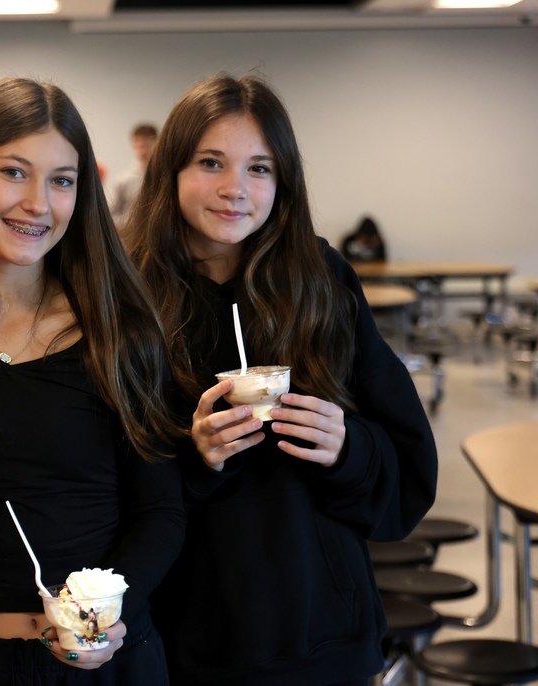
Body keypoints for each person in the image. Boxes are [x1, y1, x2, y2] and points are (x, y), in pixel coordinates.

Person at [126, 74, 438, 685]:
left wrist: (347, 446)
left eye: (259, 168)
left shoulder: (319, 279)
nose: (234, 189)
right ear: (169, 171)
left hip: (321, 632)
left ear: (283, 181)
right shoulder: (129, 298)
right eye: (210, 162)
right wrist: (197, 459)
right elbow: (100, 488)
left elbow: (407, 468)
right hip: (183, 638)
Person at [0, 77, 185, 684]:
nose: (38, 202)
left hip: (107, 663)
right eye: (14, 172)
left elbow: (160, 510)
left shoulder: (119, 329)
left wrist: (109, 617)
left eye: (62, 180)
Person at [105, 123, 157, 230]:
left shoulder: (167, 177)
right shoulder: (123, 179)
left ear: (157, 143)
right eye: (138, 146)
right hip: (130, 240)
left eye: (147, 146)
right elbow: (109, 215)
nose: (142, 151)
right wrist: (129, 224)